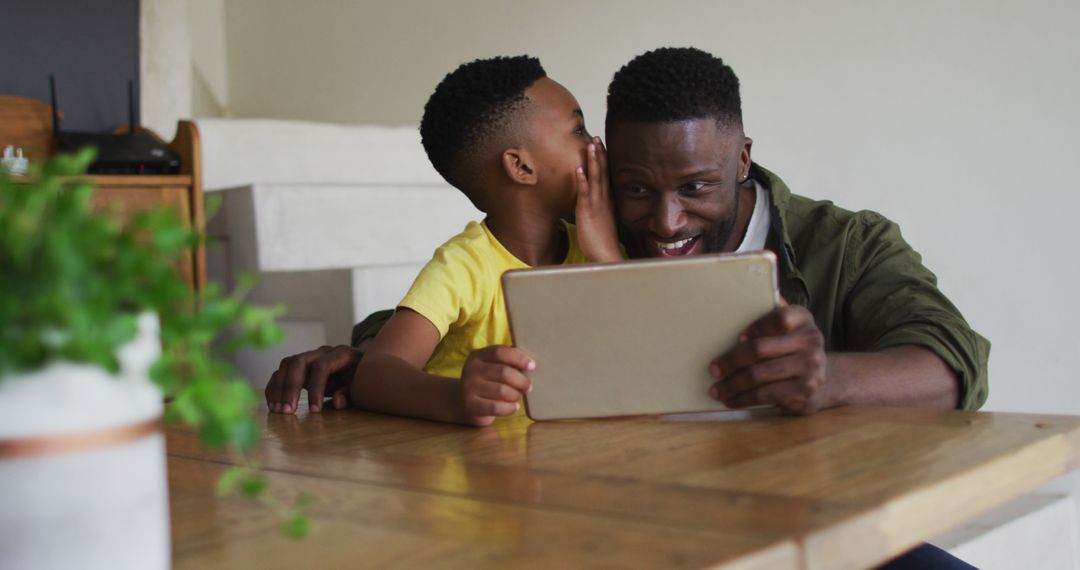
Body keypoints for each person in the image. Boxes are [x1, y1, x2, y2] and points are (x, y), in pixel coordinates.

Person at [265, 47, 988, 420]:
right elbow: (479, 310)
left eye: (698, 188)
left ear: (742, 159)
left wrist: (827, 379)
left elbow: (952, 366)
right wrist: (371, 356)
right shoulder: (591, 227)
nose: (665, 223)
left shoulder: (846, 245)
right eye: (638, 187)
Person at [308, 56, 621, 426]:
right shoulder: (464, 265)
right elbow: (375, 373)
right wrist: (459, 397)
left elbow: (651, 345)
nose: (596, 145)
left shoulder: (595, 245)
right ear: (521, 167)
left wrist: (608, 254)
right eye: (579, 130)